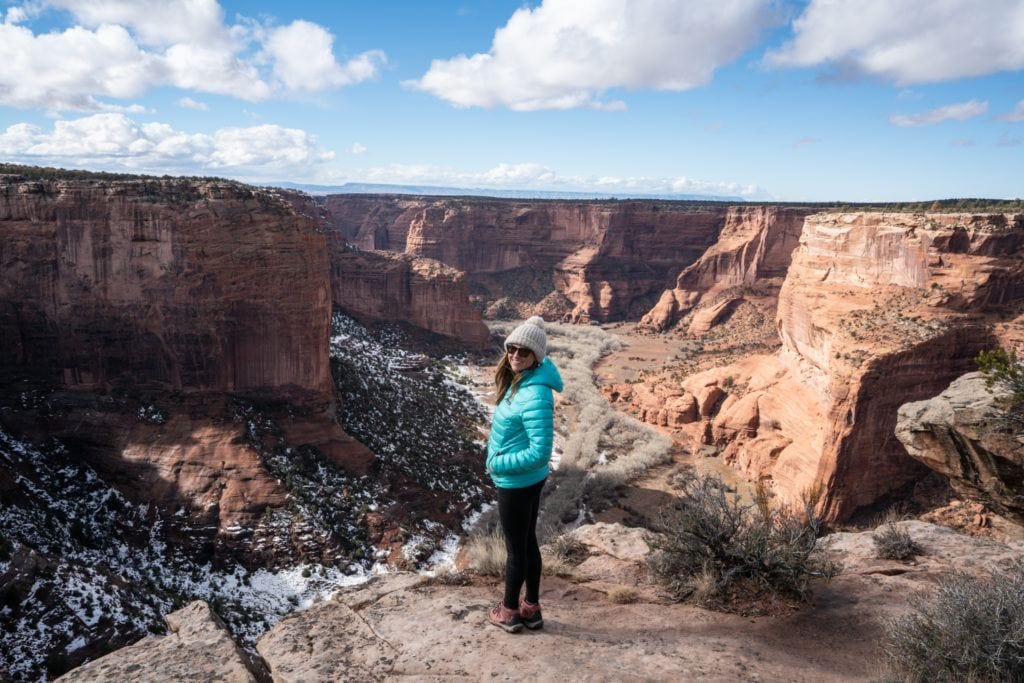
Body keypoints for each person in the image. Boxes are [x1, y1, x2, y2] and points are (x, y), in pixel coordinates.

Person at [485, 316, 563, 633]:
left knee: (516, 550)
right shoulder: (524, 382)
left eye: (524, 351)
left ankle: (509, 612)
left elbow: (540, 451)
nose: (516, 355)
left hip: (517, 481)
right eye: (512, 348)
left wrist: (497, 464)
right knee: (528, 543)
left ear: (537, 357)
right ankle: (531, 608)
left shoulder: (535, 394)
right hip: (527, 479)